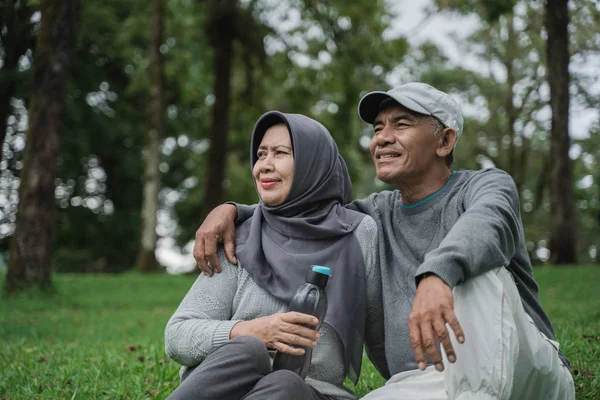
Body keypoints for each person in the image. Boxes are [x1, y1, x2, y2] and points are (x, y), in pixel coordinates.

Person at [193, 82, 575, 399]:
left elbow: (486, 225)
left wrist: (438, 275)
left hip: (524, 370)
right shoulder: (370, 217)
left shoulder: (486, 187)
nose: (383, 139)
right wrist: (233, 210)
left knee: (478, 273)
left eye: (401, 125)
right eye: (378, 129)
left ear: (444, 140)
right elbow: (305, 210)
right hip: (424, 385)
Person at [164, 111, 387, 400]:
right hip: (227, 389)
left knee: (287, 383)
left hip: (310, 394)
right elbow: (177, 336)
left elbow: (383, 338)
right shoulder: (239, 235)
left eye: (280, 153)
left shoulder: (359, 234)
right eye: (260, 154)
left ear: (313, 163)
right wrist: (252, 331)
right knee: (249, 349)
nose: (263, 166)